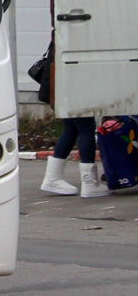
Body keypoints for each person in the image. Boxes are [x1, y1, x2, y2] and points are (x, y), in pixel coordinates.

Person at [37, 38, 111, 198]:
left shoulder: (63, 31)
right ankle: (89, 183)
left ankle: (53, 177)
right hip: (73, 84)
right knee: (86, 129)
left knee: (71, 129)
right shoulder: (76, 34)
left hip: (61, 86)